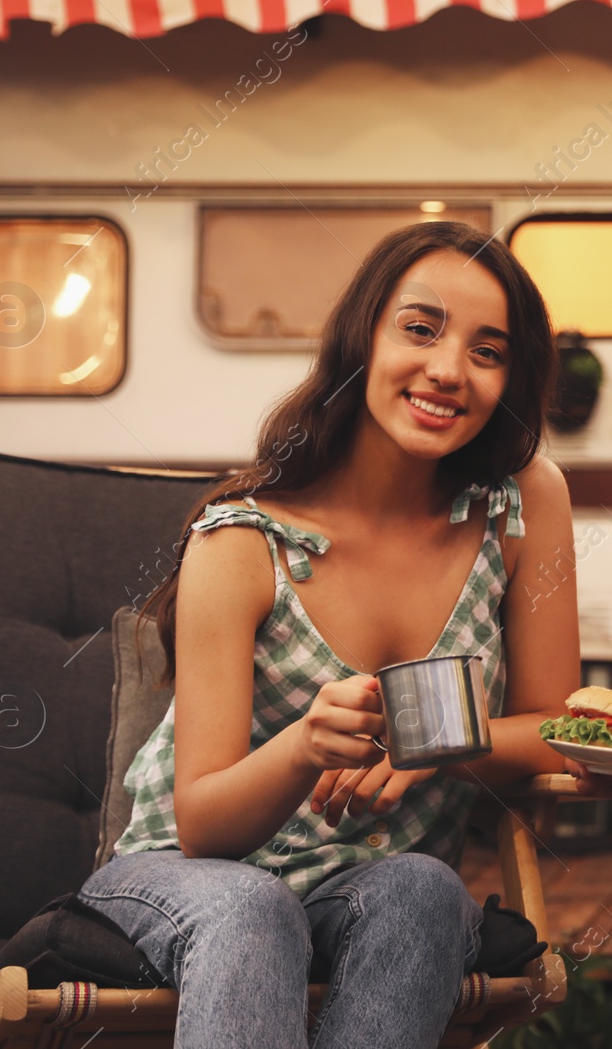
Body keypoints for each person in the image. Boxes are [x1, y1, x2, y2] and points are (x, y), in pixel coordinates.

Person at [77, 222, 580, 1048]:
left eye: (489, 351)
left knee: (423, 887)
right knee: (253, 905)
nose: (449, 369)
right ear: (362, 335)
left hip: (363, 887)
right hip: (186, 879)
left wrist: (436, 742)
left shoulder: (520, 504)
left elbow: (560, 729)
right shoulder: (242, 543)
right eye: (420, 329)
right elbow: (203, 824)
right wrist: (306, 744)